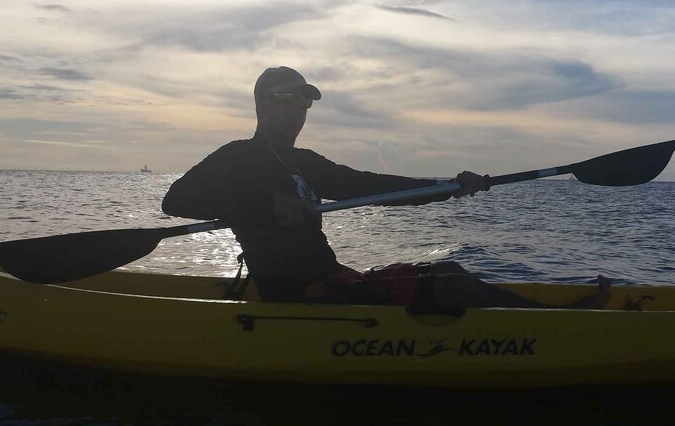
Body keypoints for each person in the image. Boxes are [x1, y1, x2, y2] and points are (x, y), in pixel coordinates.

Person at [162, 66, 610, 309]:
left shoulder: (304, 162)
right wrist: (263, 202)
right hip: (297, 296)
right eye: (286, 98)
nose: (298, 108)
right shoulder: (238, 156)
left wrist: (450, 186)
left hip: (333, 280)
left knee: (451, 275)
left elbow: (373, 186)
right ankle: (562, 326)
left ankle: (554, 319)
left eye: (304, 100)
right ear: (261, 103)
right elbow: (176, 200)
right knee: (450, 284)